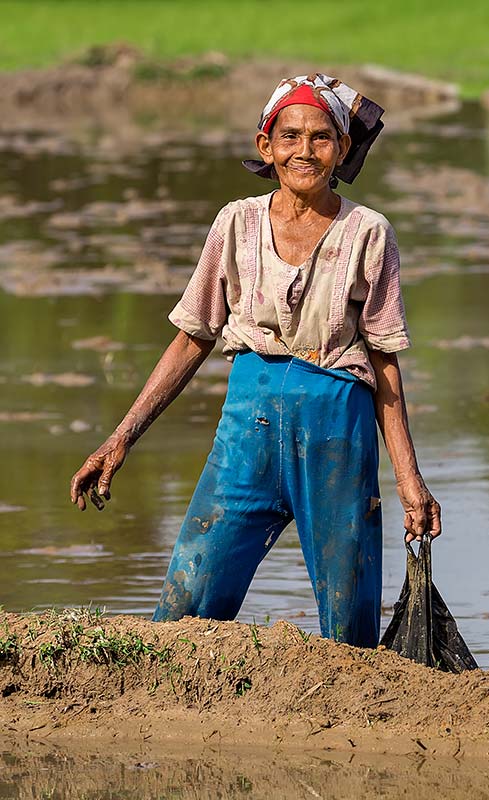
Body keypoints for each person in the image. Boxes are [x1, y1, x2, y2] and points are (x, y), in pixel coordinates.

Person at [68, 74, 440, 648]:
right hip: (250, 427)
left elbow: (385, 362)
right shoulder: (235, 223)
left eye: (321, 137)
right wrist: (119, 440)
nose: (304, 150)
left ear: (342, 149)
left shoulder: (369, 232)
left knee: (350, 629)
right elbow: (192, 338)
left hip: (337, 432)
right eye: (289, 136)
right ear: (266, 146)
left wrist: (409, 480)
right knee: (187, 607)